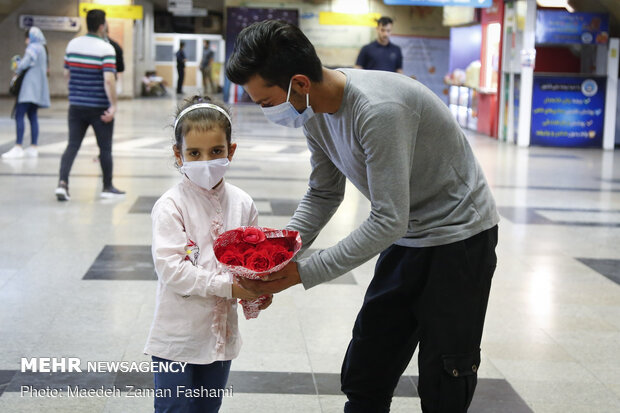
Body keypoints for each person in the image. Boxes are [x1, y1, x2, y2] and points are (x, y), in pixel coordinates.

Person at [225, 20, 499, 413]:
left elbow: (388, 220)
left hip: (460, 239)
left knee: (445, 373)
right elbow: (323, 192)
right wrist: (279, 252)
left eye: (266, 102)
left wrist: (303, 272)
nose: (267, 111)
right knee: (369, 363)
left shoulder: (378, 111)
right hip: (409, 237)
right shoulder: (312, 111)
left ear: (298, 84)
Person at [144, 95, 271, 413]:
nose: (206, 161)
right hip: (177, 339)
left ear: (231, 150)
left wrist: (256, 293)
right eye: (194, 153)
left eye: (216, 152)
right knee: (174, 409)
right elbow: (172, 269)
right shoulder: (171, 206)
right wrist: (229, 287)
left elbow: (248, 268)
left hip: (219, 338)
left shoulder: (243, 204)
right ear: (179, 154)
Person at [56, 9, 124, 201]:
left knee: (72, 145)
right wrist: (113, 106)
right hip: (99, 107)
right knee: (105, 148)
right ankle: (107, 187)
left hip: (76, 106)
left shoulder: (72, 45)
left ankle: (62, 183)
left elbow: (66, 74)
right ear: (102, 26)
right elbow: (109, 80)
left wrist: (76, 94)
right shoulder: (106, 48)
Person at [2, 27, 50, 159]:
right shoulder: (43, 49)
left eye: (27, 37)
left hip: (28, 88)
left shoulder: (33, 48)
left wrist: (17, 64)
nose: (26, 41)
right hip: (38, 89)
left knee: (19, 115)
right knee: (33, 116)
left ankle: (18, 146)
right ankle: (33, 146)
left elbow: (23, 65)